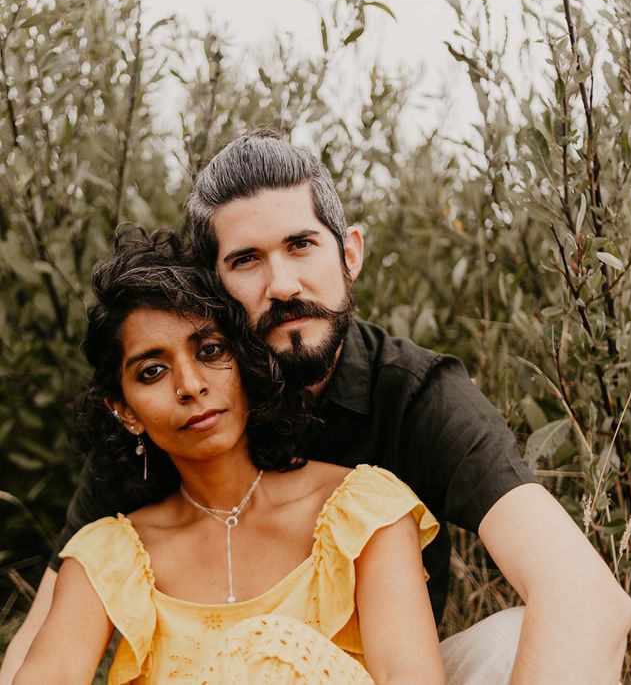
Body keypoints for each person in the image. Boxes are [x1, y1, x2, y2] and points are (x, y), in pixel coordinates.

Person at [2, 131, 631, 684]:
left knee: (508, 645)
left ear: (349, 253)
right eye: (246, 259)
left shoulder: (416, 396)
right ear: (209, 288)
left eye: (301, 244)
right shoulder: (172, 418)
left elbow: (585, 599)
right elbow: (38, 650)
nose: (282, 284)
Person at [12, 231, 444, 684]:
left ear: (246, 363)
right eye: (152, 371)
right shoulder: (108, 558)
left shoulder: (362, 513)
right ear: (125, 412)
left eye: (210, 350)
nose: (190, 385)